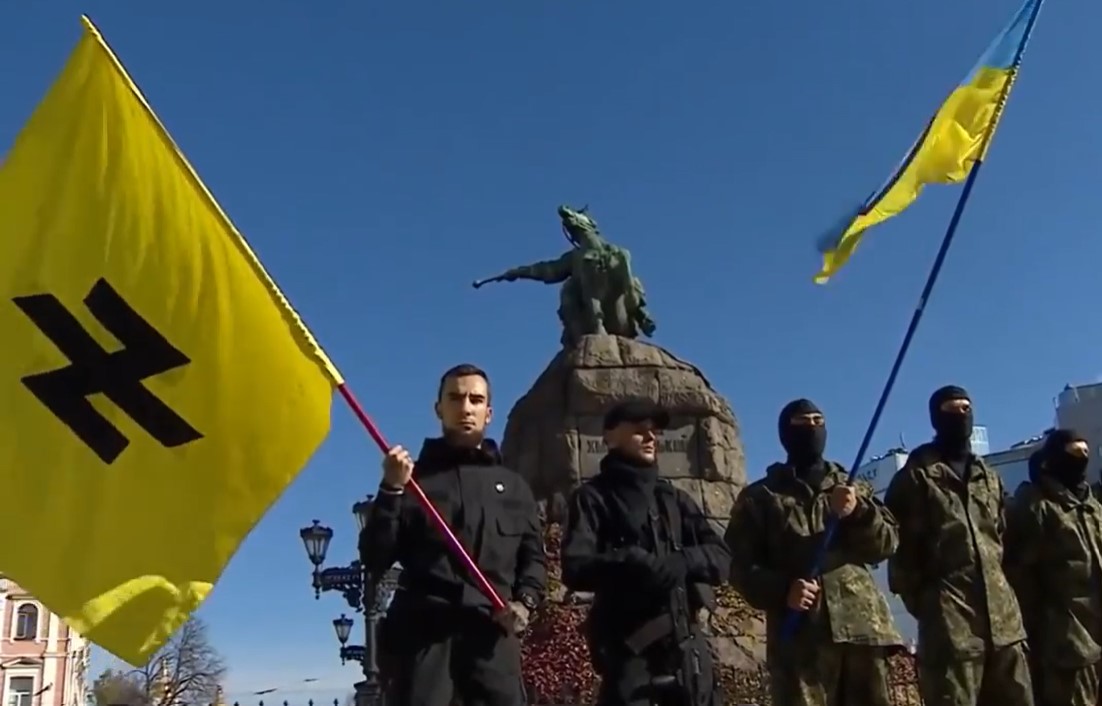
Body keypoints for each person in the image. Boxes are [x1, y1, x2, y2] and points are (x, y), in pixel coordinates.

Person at [359, 363, 547, 706]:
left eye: (475, 400)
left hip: (492, 644)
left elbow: (533, 560)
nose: (465, 408)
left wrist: (525, 602)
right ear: (438, 409)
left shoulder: (515, 488)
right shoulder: (412, 481)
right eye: (455, 398)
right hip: (424, 645)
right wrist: (390, 491)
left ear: (488, 413)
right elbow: (374, 557)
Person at [725, 398, 903, 706]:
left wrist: (858, 512)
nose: (811, 428)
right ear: (784, 433)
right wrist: (782, 590)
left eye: (818, 421)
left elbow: (887, 543)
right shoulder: (761, 497)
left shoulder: (852, 487)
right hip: (799, 640)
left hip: (862, 630)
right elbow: (738, 565)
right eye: (801, 422)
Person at [560, 398, 729, 706]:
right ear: (610, 436)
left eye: (654, 431)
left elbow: (722, 558)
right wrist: (629, 562)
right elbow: (575, 567)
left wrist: (682, 561)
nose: (651, 437)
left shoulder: (674, 500)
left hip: (687, 657)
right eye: (639, 430)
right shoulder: (593, 498)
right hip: (630, 658)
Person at [883, 385, 1033, 706]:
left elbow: (1002, 539)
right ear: (936, 418)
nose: (961, 415)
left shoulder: (988, 477)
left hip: (1005, 627)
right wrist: (930, 605)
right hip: (950, 630)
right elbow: (900, 552)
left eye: (966, 408)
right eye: (952, 410)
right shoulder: (916, 478)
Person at [1004, 429, 1102, 706]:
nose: (1081, 459)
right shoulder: (1036, 507)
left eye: (1085, 453)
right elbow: (1020, 574)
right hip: (1066, 641)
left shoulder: (1092, 509)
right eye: (1073, 453)